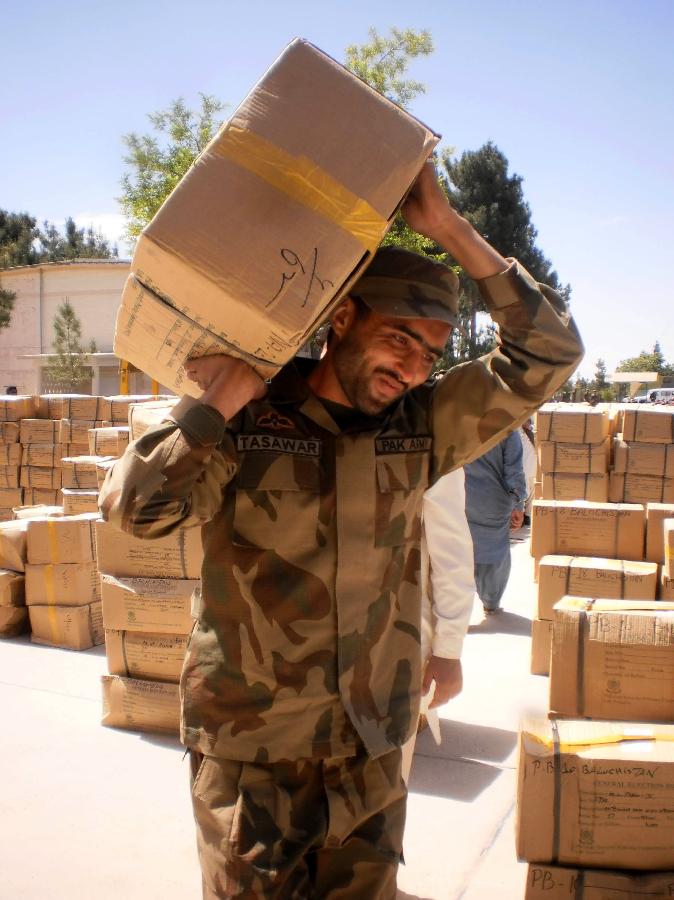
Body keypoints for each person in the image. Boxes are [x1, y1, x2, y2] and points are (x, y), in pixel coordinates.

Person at [99, 160, 583, 898]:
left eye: (430, 352)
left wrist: (448, 229)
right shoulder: (251, 418)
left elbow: (550, 354)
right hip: (255, 754)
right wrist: (216, 402)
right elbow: (134, 511)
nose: (414, 368)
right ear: (344, 318)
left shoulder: (421, 429)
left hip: (372, 750)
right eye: (400, 339)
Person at [401, 467, 476, 783]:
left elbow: (451, 553)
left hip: (391, 655)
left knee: (373, 805)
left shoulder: (424, 427)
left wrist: (447, 650)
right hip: (288, 655)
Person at [464, 431, 528, 616]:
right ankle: (490, 603)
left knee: (462, 552)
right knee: (494, 552)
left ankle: (459, 607)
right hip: (493, 503)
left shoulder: (461, 421)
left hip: (461, 499)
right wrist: (518, 504)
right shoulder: (508, 430)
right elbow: (514, 471)